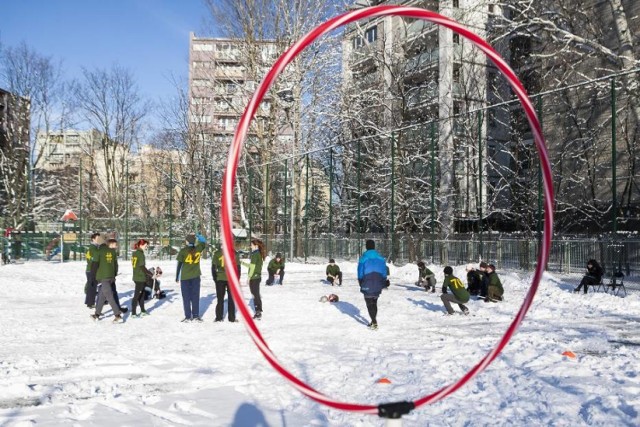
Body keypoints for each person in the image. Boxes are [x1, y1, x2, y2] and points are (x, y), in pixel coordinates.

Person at [91, 238, 124, 323]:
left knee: (109, 297)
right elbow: (116, 265)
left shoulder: (98, 251)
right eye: (115, 244)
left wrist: (93, 277)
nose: (116, 246)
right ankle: (97, 315)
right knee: (102, 296)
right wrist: (114, 274)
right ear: (110, 244)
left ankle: (118, 316)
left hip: (103, 278)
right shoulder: (113, 252)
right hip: (111, 278)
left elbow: (94, 265)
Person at [175, 233, 207, 322]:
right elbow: (203, 241)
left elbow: (179, 265)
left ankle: (188, 316)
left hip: (185, 277)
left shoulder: (183, 251)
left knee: (186, 297)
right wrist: (198, 235)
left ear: (187, 241)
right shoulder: (198, 249)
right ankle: (196, 316)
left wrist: (177, 277)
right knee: (195, 296)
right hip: (196, 276)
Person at [358, 239, 387, 330]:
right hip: (378, 281)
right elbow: (384, 271)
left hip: (367, 280)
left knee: (369, 303)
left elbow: (360, 272)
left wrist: (360, 281)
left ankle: (374, 322)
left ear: (366, 247)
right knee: (374, 302)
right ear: (374, 247)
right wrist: (383, 281)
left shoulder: (363, 258)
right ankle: (373, 321)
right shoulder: (381, 258)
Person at [211, 242, 241, 322]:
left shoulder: (217, 253)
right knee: (231, 299)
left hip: (220, 278)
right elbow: (238, 268)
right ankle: (231, 318)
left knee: (220, 298)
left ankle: (219, 317)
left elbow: (213, 267)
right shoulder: (234, 253)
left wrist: (215, 278)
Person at [131, 239, 152, 317]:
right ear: (141, 245)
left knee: (142, 295)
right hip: (140, 277)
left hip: (137, 276)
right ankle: (133, 313)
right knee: (137, 295)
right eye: (145, 245)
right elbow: (142, 266)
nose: (146, 247)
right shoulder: (140, 254)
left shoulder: (135, 253)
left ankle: (143, 310)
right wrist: (150, 274)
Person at [245, 238, 266, 319]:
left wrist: (249, 277)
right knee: (256, 294)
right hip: (257, 277)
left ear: (256, 246)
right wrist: (242, 263)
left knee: (255, 294)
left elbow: (252, 267)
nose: (250, 246)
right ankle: (259, 309)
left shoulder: (255, 254)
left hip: (254, 277)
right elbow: (252, 266)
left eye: (251, 245)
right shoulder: (258, 254)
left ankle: (258, 311)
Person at [84, 233, 102, 308]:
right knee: (92, 286)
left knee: (92, 285)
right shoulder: (93, 248)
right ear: (93, 239)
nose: (99, 240)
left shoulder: (93, 247)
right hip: (92, 269)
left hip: (91, 269)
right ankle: (90, 303)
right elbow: (95, 258)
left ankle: (89, 301)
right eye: (98, 238)